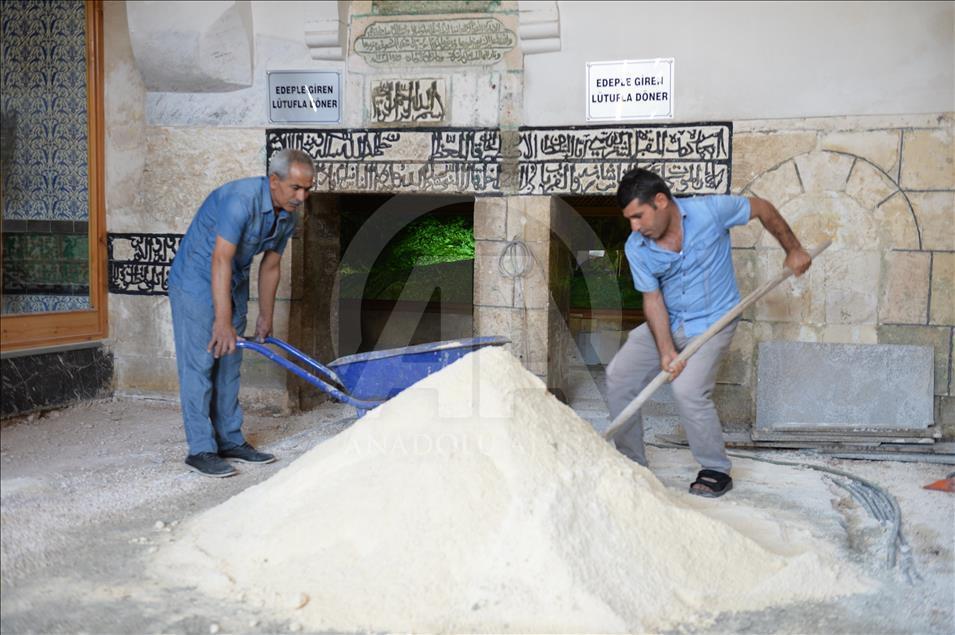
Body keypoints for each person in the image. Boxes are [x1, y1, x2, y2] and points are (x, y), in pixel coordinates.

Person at [607, 168, 811, 497]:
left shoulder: (711, 211)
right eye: (629, 219)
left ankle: (715, 468)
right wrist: (665, 351)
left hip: (715, 321)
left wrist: (794, 249)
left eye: (638, 216)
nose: (634, 226)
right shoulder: (637, 247)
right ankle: (632, 462)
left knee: (687, 390)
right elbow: (653, 298)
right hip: (670, 321)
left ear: (660, 201)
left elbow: (764, 208)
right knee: (619, 375)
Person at [167, 149, 315, 478]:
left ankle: (231, 440)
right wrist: (222, 321)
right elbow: (220, 258)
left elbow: (272, 264)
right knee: (201, 362)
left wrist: (266, 315)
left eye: (308, 189)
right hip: (197, 279)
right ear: (274, 181)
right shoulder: (240, 200)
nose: (302, 197)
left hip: (231, 280)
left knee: (231, 360)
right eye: (296, 188)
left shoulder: (288, 213)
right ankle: (201, 449)